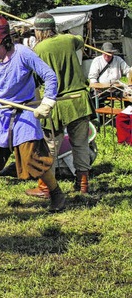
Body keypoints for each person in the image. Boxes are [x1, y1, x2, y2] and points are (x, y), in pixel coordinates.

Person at [0, 15, 66, 211]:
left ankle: (57, 194)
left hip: (24, 113)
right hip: (0, 114)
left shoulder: (23, 53)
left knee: (32, 159)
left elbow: (50, 76)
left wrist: (48, 101)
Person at [32, 12, 94, 195]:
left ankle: (46, 187)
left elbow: (36, 78)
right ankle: (83, 184)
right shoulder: (69, 40)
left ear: (39, 31)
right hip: (79, 101)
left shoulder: (39, 49)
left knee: (50, 147)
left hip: (57, 103)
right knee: (80, 144)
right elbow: (79, 40)